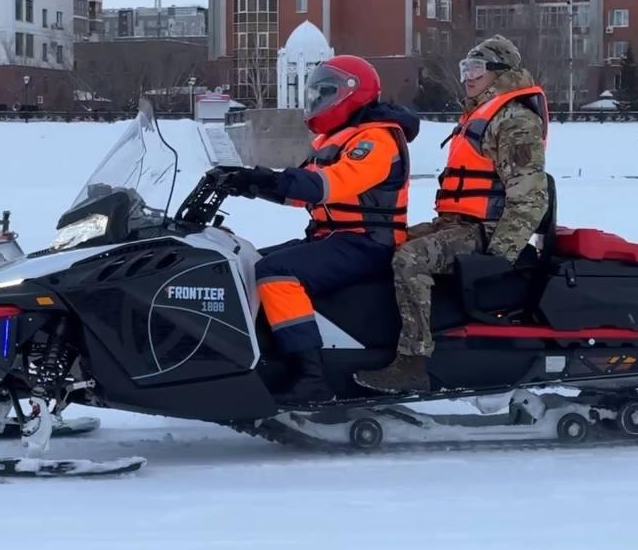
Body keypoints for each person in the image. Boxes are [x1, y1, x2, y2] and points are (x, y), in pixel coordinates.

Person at [216, 55, 420, 404]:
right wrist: (249, 183)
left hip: (367, 243)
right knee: (249, 264)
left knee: (276, 273)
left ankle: (310, 376)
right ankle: (266, 358)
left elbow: (331, 184)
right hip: (335, 237)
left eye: (327, 92)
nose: (319, 100)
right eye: (317, 93)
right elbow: (301, 193)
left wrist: (269, 179)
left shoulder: (376, 139)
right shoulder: (339, 138)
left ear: (353, 92)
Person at [354, 35, 549, 394]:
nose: (467, 77)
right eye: (465, 68)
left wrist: (499, 257)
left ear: (501, 73)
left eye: (476, 68)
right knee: (384, 243)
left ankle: (412, 363)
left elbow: (530, 197)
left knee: (411, 258)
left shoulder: (516, 121)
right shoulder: (481, 114)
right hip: (454, 224)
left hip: (485, 230)